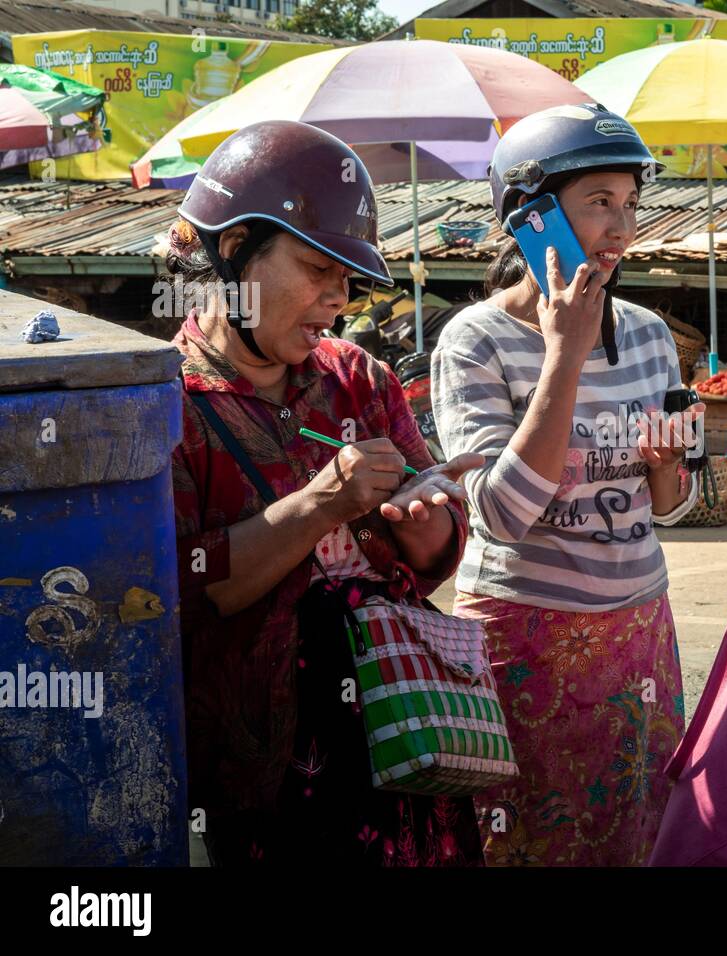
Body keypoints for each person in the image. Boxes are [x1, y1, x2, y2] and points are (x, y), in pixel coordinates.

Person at [169, 120, 485, 867]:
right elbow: (184, 586)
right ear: (236, 252)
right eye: (317, 271)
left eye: (348, 282)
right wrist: (320, 505)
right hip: (261, 776)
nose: (335, 302)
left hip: (402, 742)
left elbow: (438, 548)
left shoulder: (360, 380)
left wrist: (425, 526)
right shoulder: (165, 406)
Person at [430, 104, 702, 866]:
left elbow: (672, 508)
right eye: (599, 204)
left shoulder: (650, 334)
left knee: (633, 831)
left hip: (639, 631)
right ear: (534, 218)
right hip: (526, 639)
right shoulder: (474, 340)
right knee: (524, 839)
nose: (622, 228)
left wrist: (663, 465)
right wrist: (564, 355)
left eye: (630, 204)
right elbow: (502, 516)